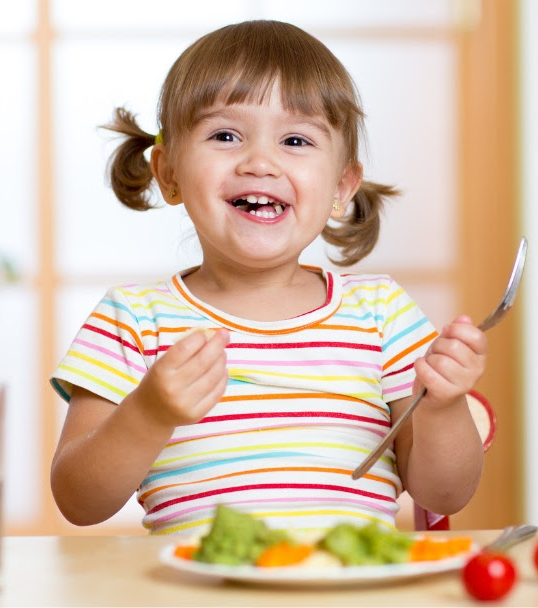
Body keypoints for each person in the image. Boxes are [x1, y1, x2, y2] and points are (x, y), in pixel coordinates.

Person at [49, 19, 486, 536]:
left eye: (296, 140)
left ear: (343, 185)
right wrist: (147, 413)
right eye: (225, 135)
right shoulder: (133, 319)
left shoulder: (382, 313)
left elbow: (444, 493)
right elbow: (78, 500)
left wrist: (443, 406)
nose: (260, 162)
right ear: (168, 173)